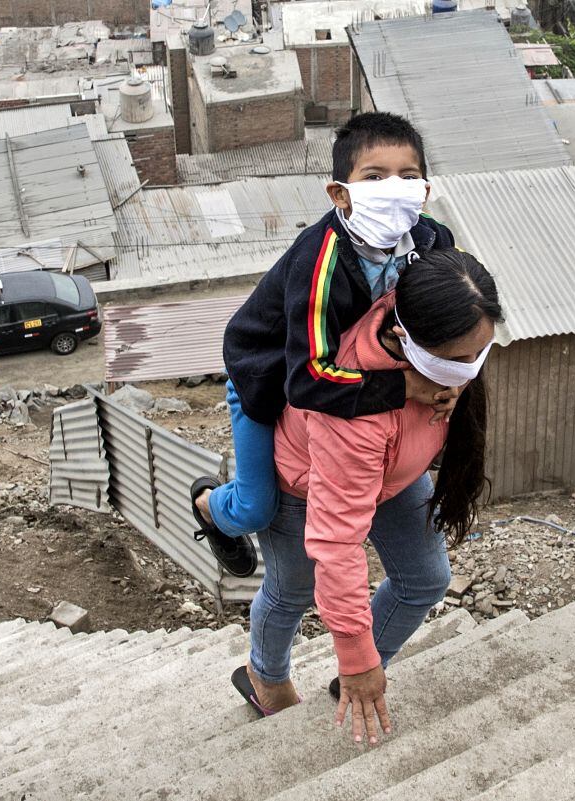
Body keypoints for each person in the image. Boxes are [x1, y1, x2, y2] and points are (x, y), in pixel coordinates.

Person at [231, 249, 501, 746]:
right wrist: (356, 659)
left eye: (478, 354)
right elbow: (337, 544)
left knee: (424, 579)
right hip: (307, 485)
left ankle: (355, 676)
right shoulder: (353, 411)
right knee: (292, 592)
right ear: (405, 338)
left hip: (391, 476)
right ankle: (265, 678)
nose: (470, 370)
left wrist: (454, 382)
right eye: (457, 361)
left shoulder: (438, 353)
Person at [190, 112, 460, 578]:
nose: (394, 188)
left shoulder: (432, 242)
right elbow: (307, 380)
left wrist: (447, 381)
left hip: (351, 369)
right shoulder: (321, 263)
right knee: (256, 508)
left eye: (408, 177)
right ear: (340, 193)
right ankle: (211, 507)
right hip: (269, 375)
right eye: (375, 177)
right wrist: (405, 390)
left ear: (425, 190)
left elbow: (447, 326)